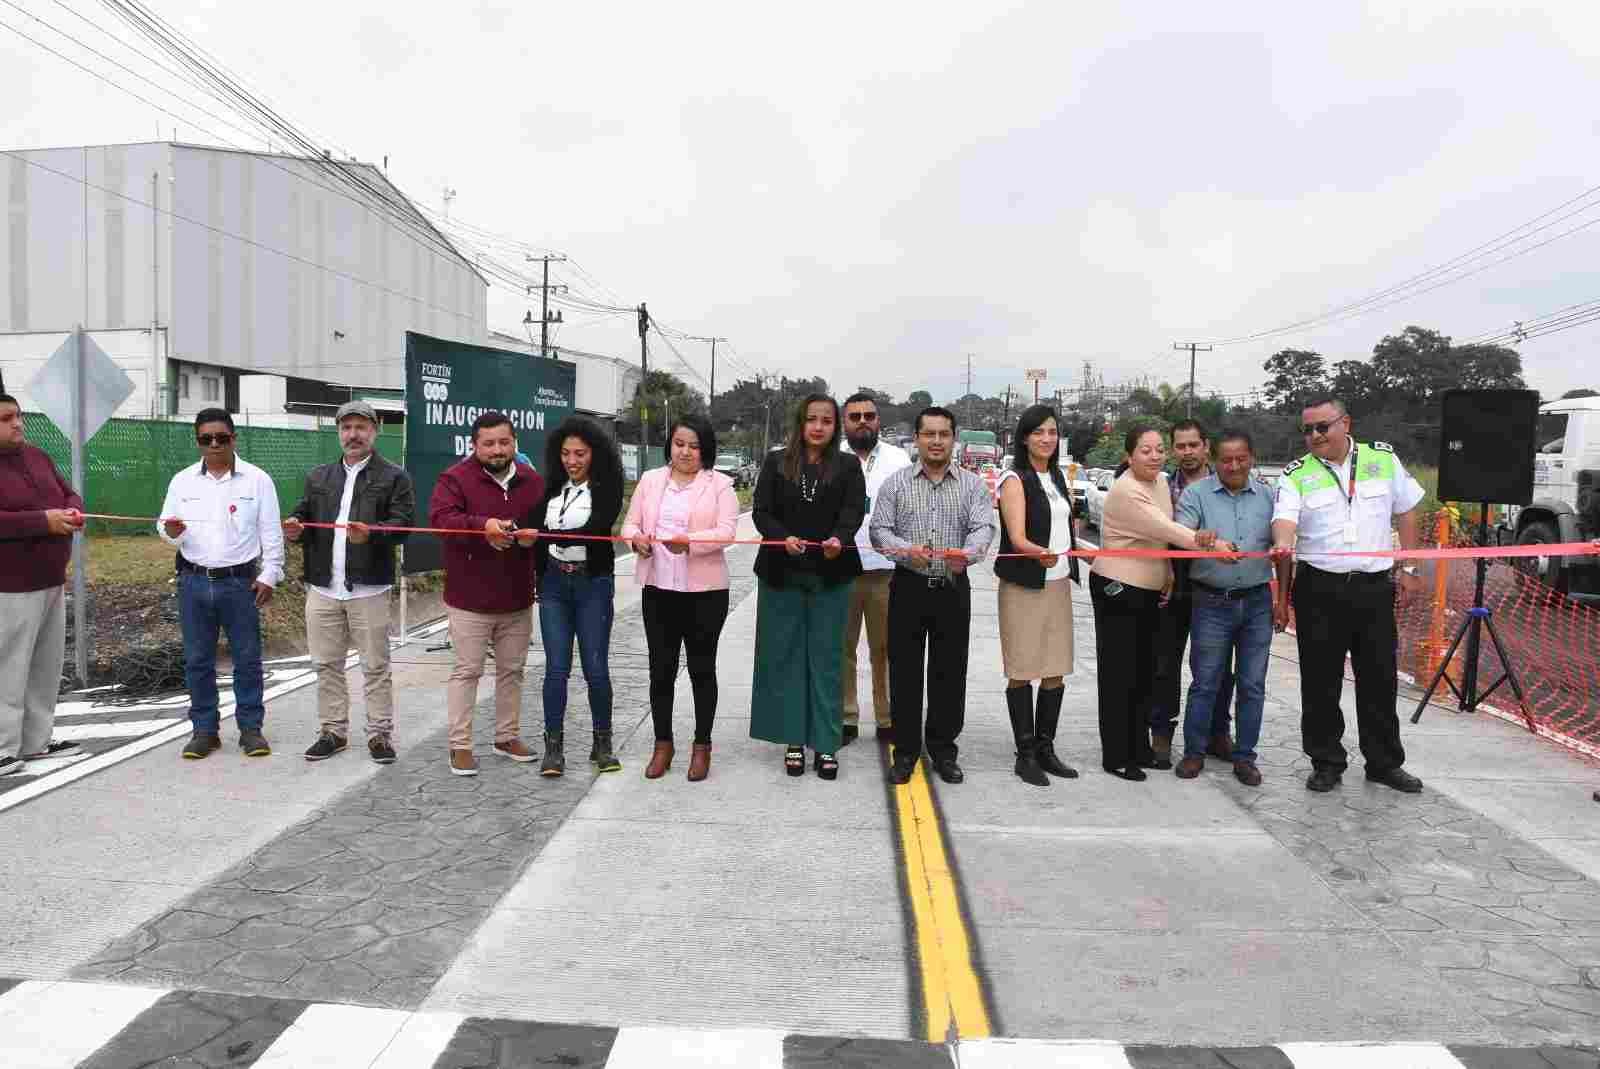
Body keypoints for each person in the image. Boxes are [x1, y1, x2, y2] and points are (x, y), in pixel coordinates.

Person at [1272, 398, 1426, 794]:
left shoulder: (1383, 460)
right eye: (1307, 430)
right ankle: (1326, 762)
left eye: (1322, 427)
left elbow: (1408, 510)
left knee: (1379, 679)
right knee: (1320, 682)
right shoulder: (1297, 474)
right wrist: (1282, 543)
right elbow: (1284, 521)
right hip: (1319, 589)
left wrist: (1408, 568)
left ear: (1346, 423)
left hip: (1373, 589)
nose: (1315, 436)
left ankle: (1384, 762)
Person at [1090, 426, 1225, 781]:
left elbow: (1160, 536)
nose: (1154, 456)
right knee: (1119, 674)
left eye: (1159, 450)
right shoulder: (1126, 491)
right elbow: (1169, 531)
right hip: (1118, 587)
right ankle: (1117, 755)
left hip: (1150, 588)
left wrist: (1167, 571)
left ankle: (1139, 748)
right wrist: (1212, 546)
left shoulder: (1161, 483)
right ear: (1129, 456)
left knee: (1143, 673)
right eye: (1145, 450)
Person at [284, 400, 415, 765]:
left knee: (375, 666)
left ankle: (379, 735)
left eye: (361, 428)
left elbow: (403, 524)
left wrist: (372, 534)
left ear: (374, 432)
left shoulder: (394, 477)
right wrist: (295, 525)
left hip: (369, 589)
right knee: (326, 664)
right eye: (346, 428)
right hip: (323, 588)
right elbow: (304, 513)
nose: (353, 435)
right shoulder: (319, 476)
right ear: (338, 433)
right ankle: (333, 731)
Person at [871, 406, 995, 785]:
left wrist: (968, 555)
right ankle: (905, 751)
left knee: (949, 672)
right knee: (905, 672)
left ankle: (943, 751)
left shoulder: (972, 485)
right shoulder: (896, 484)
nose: (937, 441)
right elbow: (879, 531)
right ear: (917, 438)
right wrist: (905, 549)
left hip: (953, 589)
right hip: (908, 587)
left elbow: (983, 528)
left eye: (944, 434)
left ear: (953, 438)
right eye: (929, 434)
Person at [750, 394, 866, 780]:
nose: (818, 427)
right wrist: (781, 537)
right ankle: (794, 739)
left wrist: (840, 538)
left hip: (831, 574)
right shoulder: (776, 461)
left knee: (828, 659)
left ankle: (827, 743)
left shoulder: (848, 466)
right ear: (800, 423)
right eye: (812, 419)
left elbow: (853, 512)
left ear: (836, 427)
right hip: (782, 574)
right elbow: (761, 511)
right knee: (786, 658)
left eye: (827, 421)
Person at [158, 408, 285, 759]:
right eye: (206, 438)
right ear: (198, 442)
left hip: (239, 584)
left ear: (234, 438)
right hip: (193, 582)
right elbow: (164, 525)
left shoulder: (257, 481)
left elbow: (271, 532)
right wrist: (170, 533)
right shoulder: (181, 482)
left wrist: (269, 574)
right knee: (198, 660)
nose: (214, 444)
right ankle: (204, 731)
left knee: (247, 658)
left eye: (221, 437)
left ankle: (250, 730)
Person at [428, 411, 546, 777]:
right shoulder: (454, 479)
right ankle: (460, 745)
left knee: (513, 670)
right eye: (489, 443)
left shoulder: (532, 480)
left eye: (504, 442)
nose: (497, 450)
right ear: (474, 446)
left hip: (517, 597)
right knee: (467, 671)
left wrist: (533, 536)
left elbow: (545, 525)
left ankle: (506, 736)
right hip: (469, 600)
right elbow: (441, 521)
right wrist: (484, 527)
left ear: (515, 443)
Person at [623, 413, 739, 782]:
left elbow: (726, 532)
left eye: (693, 445)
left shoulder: (720, 485)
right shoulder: (650, 481)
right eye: (679, 444)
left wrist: (690, 543)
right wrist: (635, 540)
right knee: (662, 670)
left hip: (705, 593)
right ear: (669, 446)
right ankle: (663, 744)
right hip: (659, 590)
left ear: (705, 450)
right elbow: (631, 524)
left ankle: (701, 745)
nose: (686, 452)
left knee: (702, 669)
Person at [1174, 428, 1279, 786]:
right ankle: (1193, 753)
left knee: (1252, 684)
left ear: (1252, 458)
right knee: (1205, 682)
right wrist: (1198, 538)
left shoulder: (1269, 497)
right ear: (1213, 459)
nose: (1234, 465)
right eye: (1226, 459)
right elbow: (1182, 536)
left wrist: (1283, 602)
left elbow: (1283, 548)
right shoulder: (1196, 495)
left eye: (1241, 458)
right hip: (1211, 602)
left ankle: (1245, 757)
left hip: (1257, 604)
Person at [527, 416, 625, 777]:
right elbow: (534, 530)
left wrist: (549, 536)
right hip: (554, 585)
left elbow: (597, 527)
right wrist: (526, 536)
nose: (572, 460)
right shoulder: (551, 488)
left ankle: (602, 744)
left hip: (592, 585)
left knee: (595, 668)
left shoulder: (608, 488)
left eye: (580, 454)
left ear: (594, 454)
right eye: (566, 453)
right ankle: (554, 748)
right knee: (556, 669)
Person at [995, 404, 1081, 786]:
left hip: (1059, 583)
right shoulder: (1014, 478)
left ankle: (1046, 749)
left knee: (1054, 671)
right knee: (1022, 670)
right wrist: (1039, 553)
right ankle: (1025, 753)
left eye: (1052, 432)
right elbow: (1017, 538)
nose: (1047, 438)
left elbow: (1066, 529)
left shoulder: (1058, 476)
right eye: (1039, 432)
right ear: (1025, 438)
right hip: (1025, 586)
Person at [0, 393, 84, 776]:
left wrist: (71, 508)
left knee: (44, 666)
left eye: (16, 416)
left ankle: (35, 742)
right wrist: (42, 521)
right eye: (5, 419)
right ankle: (3, 747)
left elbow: (67, 491)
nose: (16, 423)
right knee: (9, 667)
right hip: (11, 586)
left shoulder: (37, 456)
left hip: (51, 579)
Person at [1148, 419, 1235, 769]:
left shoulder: (1226, 484)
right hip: (1173, 584)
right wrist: (1166, 569)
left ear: (1206, 446)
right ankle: (1161, 737)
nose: (1187, 452)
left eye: (1193, 445)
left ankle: (1217, 734)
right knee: (1164, 663)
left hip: (1214, 585)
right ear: (1172, 450)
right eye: (1180, 446)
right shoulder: (1163, 487)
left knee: (1216, 668)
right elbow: (1158, 535)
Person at [840, 391, 911, 746]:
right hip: (841, 568)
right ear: (845, 422)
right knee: (843, 648)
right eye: (855, 416)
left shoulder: (898, 459)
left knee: (885, 648)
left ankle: (887, 718)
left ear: (878, 420)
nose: (863, 421)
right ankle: (846, 716)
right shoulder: (832, 457)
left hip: (887, 569)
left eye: (869, 415)